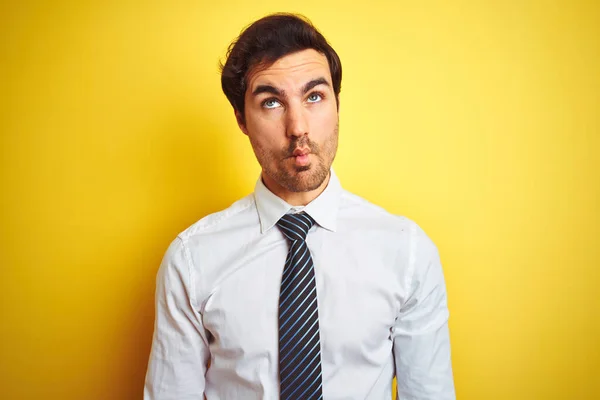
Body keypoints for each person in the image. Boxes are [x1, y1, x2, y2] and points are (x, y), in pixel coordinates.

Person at [144, 12, 456, 400]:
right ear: (241, 118)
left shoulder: (406, 252)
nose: (298, 127)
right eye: (272, 102)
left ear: (337, 104)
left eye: (314, 96)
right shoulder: (192, 260)